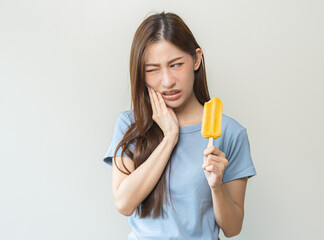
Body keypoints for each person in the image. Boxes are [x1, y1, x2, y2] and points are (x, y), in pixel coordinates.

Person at [102, 11, 257, 240]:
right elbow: (124, 203)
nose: (167, 81)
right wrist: (169, 138)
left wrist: (216, 186)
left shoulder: (230, 132)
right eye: (152, 69)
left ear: (196, 59)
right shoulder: (130, 125)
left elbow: (233, 228)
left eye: (175, 65)